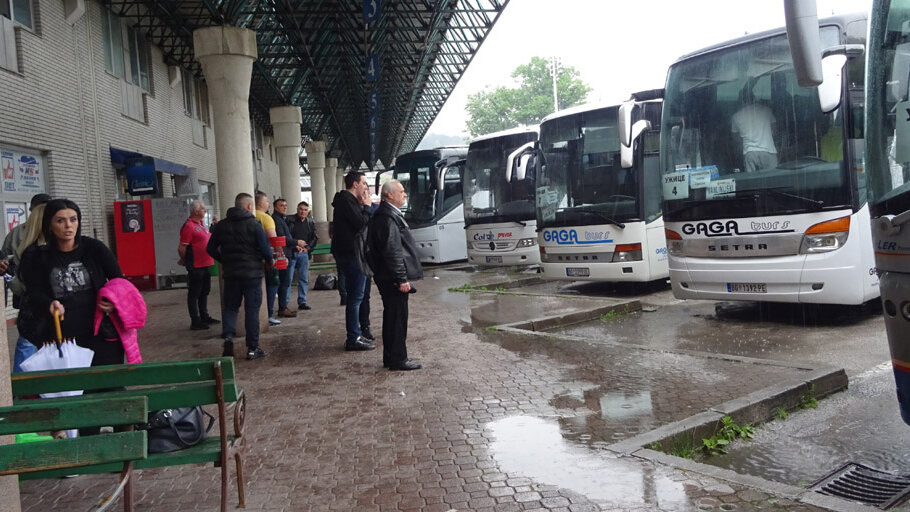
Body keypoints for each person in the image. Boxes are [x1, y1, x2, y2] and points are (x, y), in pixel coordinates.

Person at [18, 199, 126, 367]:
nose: (68, 225)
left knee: (106, 379)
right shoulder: (39, 256)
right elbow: (34, 291)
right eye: (60, 220)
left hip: (100, 334)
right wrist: (49, 303)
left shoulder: (94, 248)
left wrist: (114, 301)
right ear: (49, 225)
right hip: (60, 337)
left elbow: (119, 282)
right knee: (69, 382)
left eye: (73, 219)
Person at [207, 193, 273, 360]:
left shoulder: (221, 226)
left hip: (231, 274)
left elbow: (210, 249)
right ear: (249, 206)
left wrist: (224, 260)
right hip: (253, 274)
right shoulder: (254, 225)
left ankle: (228, 338)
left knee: (230, 308)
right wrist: (269, 262)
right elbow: (266, 250)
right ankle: (252, 348)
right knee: (252, 310)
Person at [368, 180, 423, 371]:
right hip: (391, 277)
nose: (405, 194)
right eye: (401, 191)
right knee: (397, 319)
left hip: (386, 275)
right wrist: (401, 279)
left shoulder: (385, 215)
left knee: (392, 317)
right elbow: (392, 251)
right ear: (389, 194)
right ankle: (398, 359)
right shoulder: (388, 217)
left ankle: (391, 357)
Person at [2, 192, 49, 371]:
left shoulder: (56, 230)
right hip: (27, 294)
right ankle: (22, 382)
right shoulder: (17, 233)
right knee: (28, 341)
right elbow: (5, 257)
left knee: (41, 341)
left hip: (49, 294)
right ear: (31, 210)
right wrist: (10, 274)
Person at [331, 171, 374, 351]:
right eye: (364, 183)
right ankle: (353, 337)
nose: (366, 187)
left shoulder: (349, 201)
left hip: (353, 253)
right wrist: (367, 207)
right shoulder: (346, 201)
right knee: (355, 297)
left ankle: (360, 331)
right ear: (355, 184)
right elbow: (361, 224)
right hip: (351, 254)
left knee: (360, 295)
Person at [178, 200, 219, 330]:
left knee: (204, 291)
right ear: (195, 211)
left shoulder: (201, 224)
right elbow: (182, 247)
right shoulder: (189, 226)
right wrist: (185, 259)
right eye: (202, 208)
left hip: (205, 264)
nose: (205, 210)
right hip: (196, 264)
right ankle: (195, 320)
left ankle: (204, 315)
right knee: (194, 293)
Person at [269, 198, 307, 318]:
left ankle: (283, 307)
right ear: (275, 207)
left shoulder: (282, 219)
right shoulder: (276, 219)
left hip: (289, 252)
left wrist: (295, 246)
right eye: (281, 205)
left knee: (286, 281)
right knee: (284, 282)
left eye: (285, 205)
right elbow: (281, 238)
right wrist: (297, 242)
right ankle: (282, 307)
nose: (284, 207)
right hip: (282, 255)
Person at [731, 87, 778, 172]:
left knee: (752, 179)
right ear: (754, 98)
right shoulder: (767, 110)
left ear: (741, 100)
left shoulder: (736, 116)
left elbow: (735, 138)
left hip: (750, 153)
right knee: (773, 178)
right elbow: (774, 131)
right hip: (768, 151)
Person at [254, 192, 281, 326]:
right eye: (267, 201)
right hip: (267, 257)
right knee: (272, 284)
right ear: (260, 203)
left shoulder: (252, 216)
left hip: (252, 259)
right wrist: (279, 254)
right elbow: (273, 239)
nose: (268, 204)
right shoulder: (266, 218)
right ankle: (268, 314)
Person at [286, 201, 318, 310]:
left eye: (305, 210)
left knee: (303, 279)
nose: (303, 212)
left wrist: (307, 248)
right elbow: (287, 236)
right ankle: (284, 303)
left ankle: (302, 301)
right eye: (301, 209)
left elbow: (314, 237)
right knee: (288, 279)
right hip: (291, 252)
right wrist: (295, 245)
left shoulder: (310, 222)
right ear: (297, 209)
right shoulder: (290, 220)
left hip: (304, 254)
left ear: (308, 211)